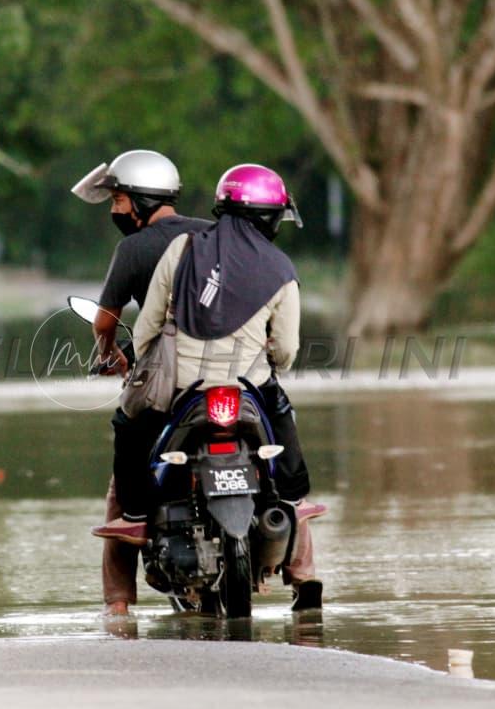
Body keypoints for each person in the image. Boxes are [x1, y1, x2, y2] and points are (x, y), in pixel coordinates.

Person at [91, 163, 323, 610]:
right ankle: (299, 539)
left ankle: (135, 523)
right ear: (273, 218)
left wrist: (143, 364)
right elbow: (288, 350)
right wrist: (269, 359)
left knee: (129, 425)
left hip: (182, 386)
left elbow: (149, 325)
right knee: (283, 430)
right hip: (247, 386)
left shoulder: (183, 248)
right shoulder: (281, 267)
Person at [70, 149, 212, 617]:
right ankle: (301, 575)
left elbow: (105, 321)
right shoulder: (212, 235)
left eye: (117, 201)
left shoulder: (133, 250)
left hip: (163, 381)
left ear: (139, 200)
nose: (114, 211)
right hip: (229, 370)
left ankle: (118, 604)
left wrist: (108, 356)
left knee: (125, 444)